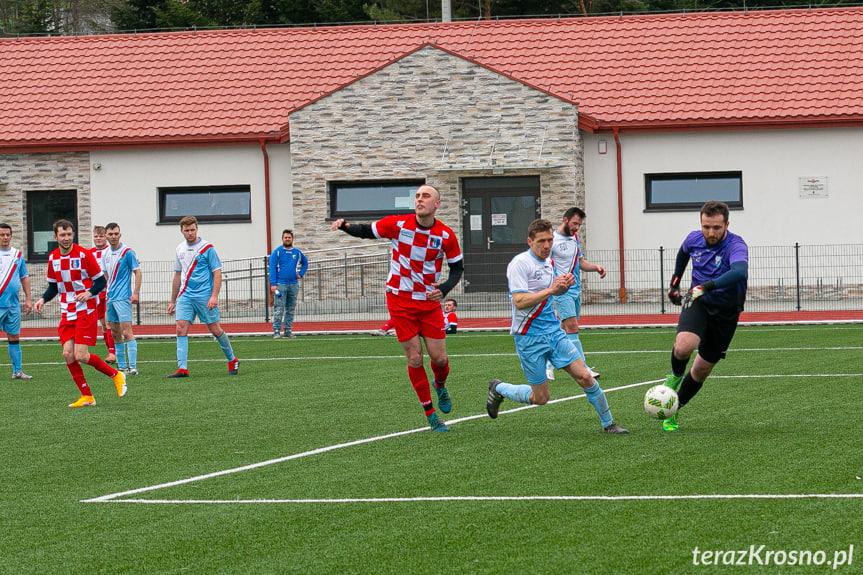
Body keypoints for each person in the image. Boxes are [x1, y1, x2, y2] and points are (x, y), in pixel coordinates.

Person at [332, 184, 464, 432]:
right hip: (400, 299)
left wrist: (444, 289)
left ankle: (440, 385)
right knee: (415, 358)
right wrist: (345, 226)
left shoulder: (446, 235)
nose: (419, 199)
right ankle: (430, 414)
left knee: (440, 358)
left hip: (428, 302)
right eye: (417, 196)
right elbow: (367, 231)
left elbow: (457, 268)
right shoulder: (398, 224)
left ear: (437, 204)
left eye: (426, 196)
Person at [486, 218, 627, 434]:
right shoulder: (519, 264)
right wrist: (552, 290)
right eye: (541, 241)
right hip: (528, 336)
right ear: (529, 241)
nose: (547, 245)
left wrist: (562, 286)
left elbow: (549, 294)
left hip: (553, 332)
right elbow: (520, 302)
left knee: (585, 376)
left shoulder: (550, 263)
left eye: (550, 240)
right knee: (540, 398)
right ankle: (499, 388)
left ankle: (609, 424)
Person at [662, 200, 748, 431]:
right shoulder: (693, 238)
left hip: (727, 313)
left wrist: (706, 286)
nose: (710, 232)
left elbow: (740, 271)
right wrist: (674, 283)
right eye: (706, 226)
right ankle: (675, 375)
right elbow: (683, 254)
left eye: (716, 228)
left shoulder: (736, 245)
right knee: (683, 347)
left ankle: (673, 410)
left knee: (701, 370)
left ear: (726, 224)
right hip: (697, 302)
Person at [34, 219, 127, 407]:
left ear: (73, 235)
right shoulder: (53, 258)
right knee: (67, 354)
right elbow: (53, 287)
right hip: (66, 313)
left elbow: (100, 282)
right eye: (62, 235)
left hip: (85, 311)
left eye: (69, 234)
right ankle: (87, 396)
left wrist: (89, 293)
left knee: (81, 356)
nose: (66, 238)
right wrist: (43, 299)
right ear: (56, 237)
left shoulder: (84, 255)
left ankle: (116, 375)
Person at [167, 216, 239, 378]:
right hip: (185, 296)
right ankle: (182, 368)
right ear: (182, 231)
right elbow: (177, 275)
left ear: (197, 229)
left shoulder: (207, 248)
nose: (190, 233)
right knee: (180, 328)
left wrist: (214, 296)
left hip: (205, 296)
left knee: (215, 330)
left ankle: (232, 359)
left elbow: (217, 272)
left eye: (192, 229)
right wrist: (172, 300)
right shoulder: (179, 249)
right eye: (187, 230)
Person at [545, 207, 604, 381]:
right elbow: (545, 263)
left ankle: (548, 363)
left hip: (575, 289)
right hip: (562, 291)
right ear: (565, 220)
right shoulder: (553, 240)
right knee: (572, 327)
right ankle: (584, 368)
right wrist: (554, 282)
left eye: (579, 224)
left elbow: (580, 262)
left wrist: (595, 268)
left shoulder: (575, 238)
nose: (577, 227)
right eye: (574, 223)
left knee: (563, 330)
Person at [103, 223, 142, 375]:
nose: (113, 237)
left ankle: (132, 367)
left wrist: (136, 293)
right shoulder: (105, 253)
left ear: (120, 234)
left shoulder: (127, 252)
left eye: (115, 234)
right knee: (114, 332)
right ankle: (121, 366)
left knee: (126, 331)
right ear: (106, 236)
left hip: (123, 297)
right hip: (110, 298)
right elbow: (106, 275)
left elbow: (137, 272)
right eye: (110, 234)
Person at [0, 223, 34, 380]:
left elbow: (24, 277)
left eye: (7, 234)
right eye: (2, 235)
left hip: (13, 305)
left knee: (14, 337)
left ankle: (17, 371)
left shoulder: (17, 255)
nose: (5, 237)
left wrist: (28, 299)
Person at [268, 229, 308, 339]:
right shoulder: (277, 252)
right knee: (279, 308)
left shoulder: (297, 252)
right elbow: (272, 268)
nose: (287, 239)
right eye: (285, 237)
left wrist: (301, 274)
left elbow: (305, 263)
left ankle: (288, 330)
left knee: (290, 308)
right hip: (280, 284)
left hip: (293, 285)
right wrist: (273, 284)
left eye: (289, 237)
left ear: (292, 239)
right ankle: (276, 330)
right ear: (282, 239)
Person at [90, 226, 117, 363]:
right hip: (96, 293)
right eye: (96, 236)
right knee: (103, 323)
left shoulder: (111, 251)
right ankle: (111, 351)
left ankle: (113, 353)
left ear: (105, 237)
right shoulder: (89, 253)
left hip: (109, 292)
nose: (98, 239)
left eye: (101, 236)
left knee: (108, 323)